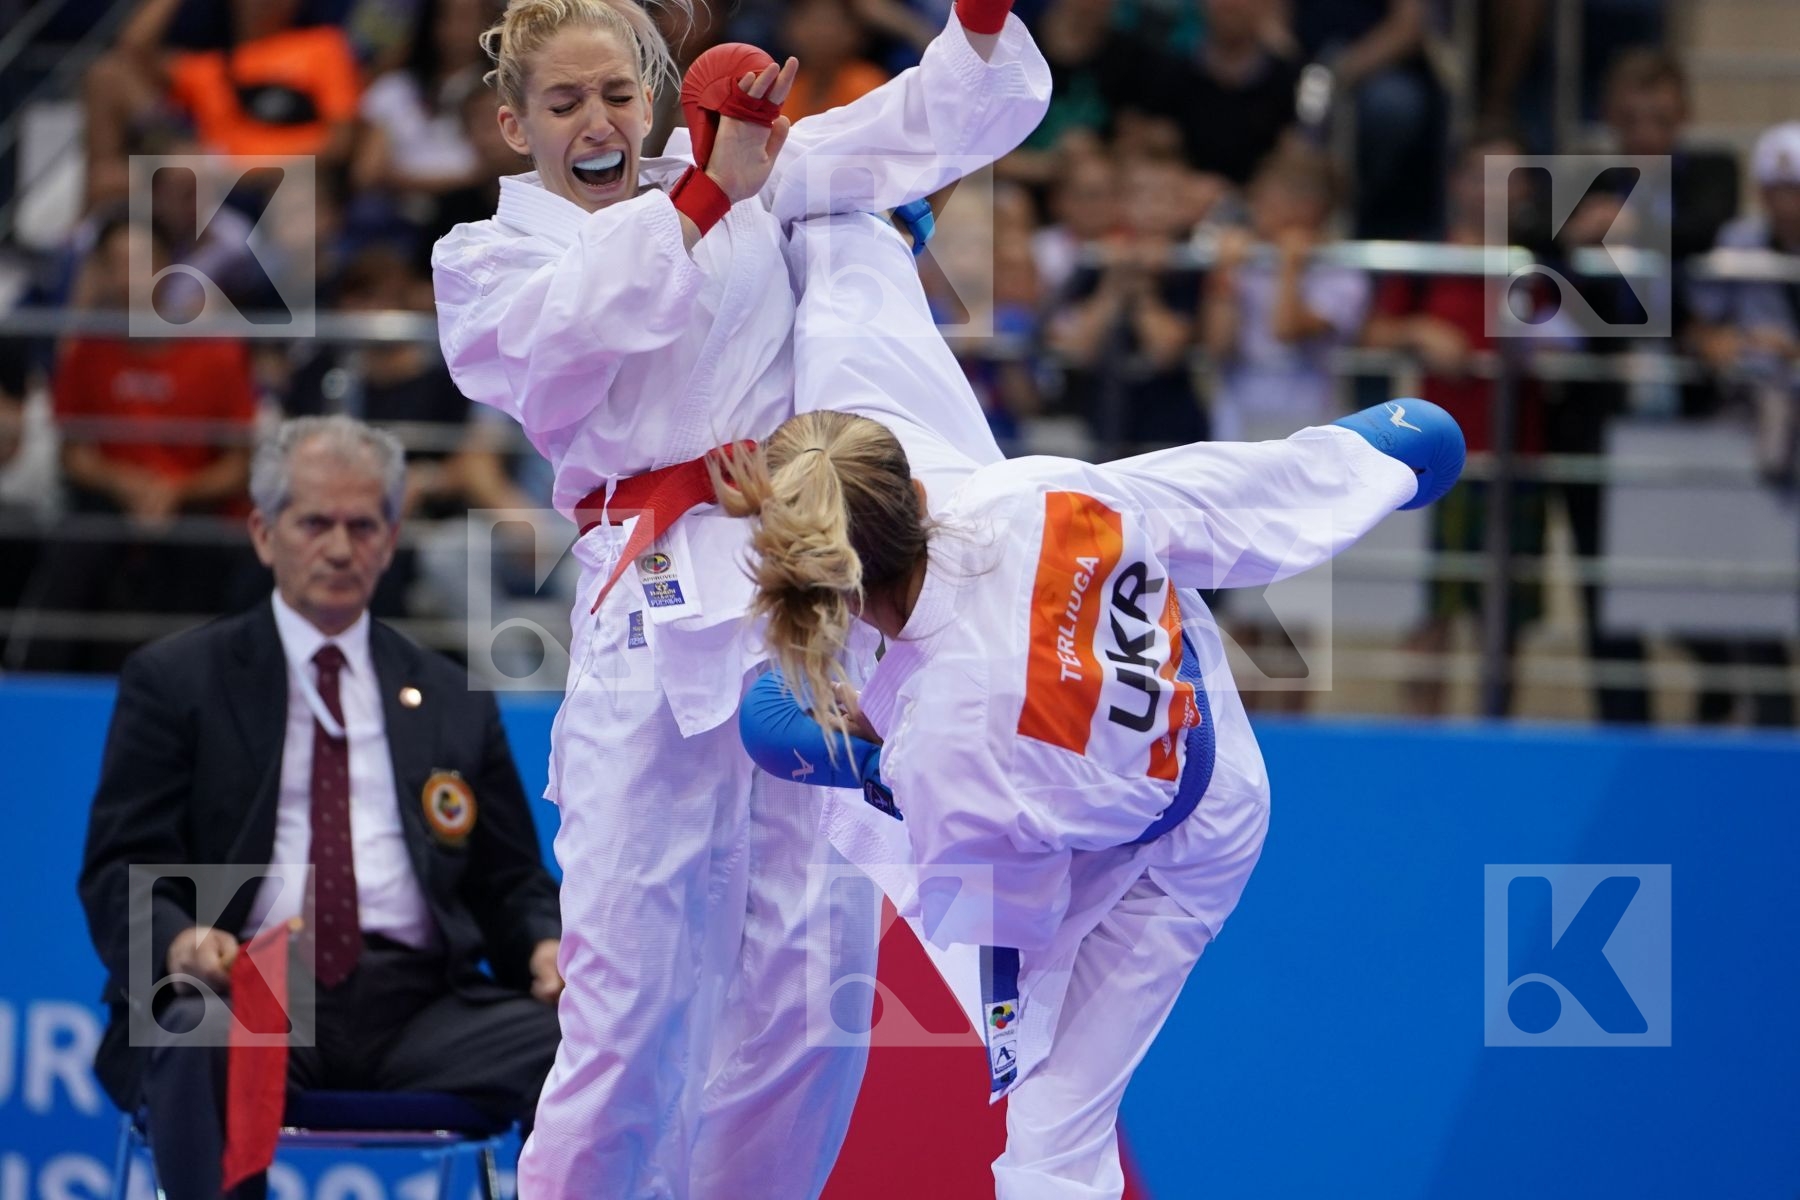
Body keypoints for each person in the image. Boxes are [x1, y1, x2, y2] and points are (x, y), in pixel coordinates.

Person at [428, 0, 1051, 1194]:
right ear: (515, 124)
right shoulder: (489, 256)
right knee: (632, 1004)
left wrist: (975, 25)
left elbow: (918, 127)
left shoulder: (756, 168)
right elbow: (570, 338)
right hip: (648, 616)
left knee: (809, 1001)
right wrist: (708, 194)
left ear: (652, 98)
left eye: (617, 94)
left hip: (794, 604)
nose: (596, 121)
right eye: (563, 104)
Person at [726, 206, 1466, 1199]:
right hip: (1163, 688)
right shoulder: (1035, 489)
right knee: (869, 398)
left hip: (1166, 842)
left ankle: (860, 242)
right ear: (911, 489)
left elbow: (1013, 909)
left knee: (1045, 1137)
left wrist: (868, 748)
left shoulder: (945, 743)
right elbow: (1217, 504)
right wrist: (1369, 460)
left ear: (838, 583)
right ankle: (861, 233)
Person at [77, 415, 563, 1200]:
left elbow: (511, 884)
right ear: (265, 534)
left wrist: (545, 951)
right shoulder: (179, 679)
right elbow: (118, 869)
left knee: (593, 1041)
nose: (340, 548)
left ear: (392, 533)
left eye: (362, 525)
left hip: (422, 1007)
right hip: (249, 983)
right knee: (199, 1027)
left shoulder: (448, 695)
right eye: (315, 523)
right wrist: (179, 942)